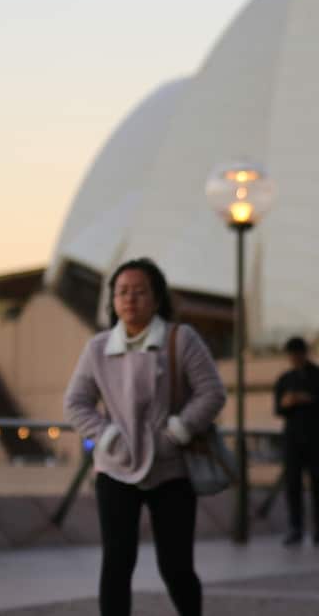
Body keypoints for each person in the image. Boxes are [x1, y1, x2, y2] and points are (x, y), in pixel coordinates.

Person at [64, 258, 227, 616]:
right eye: (122, 292)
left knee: (176, 566)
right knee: (117, 563)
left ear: (156, 298)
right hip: (116, 469)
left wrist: (176, 433)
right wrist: (108, 438)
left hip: (171, 470)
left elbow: (212, 393)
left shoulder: (180, 339)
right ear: (113, 300)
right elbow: (75, 403)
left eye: (139, 292)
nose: (130, 299)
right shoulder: (98, 348)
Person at [274, 336, 319, 545]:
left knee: (318, 484)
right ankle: (296, 527)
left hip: (316, 438)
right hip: (293, 439)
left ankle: (318, 526)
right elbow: (278, 409)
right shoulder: (285, 379)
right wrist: (287, 402)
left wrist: (307, 399)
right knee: (293, 484)